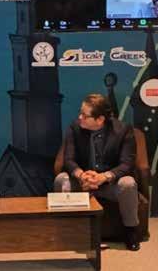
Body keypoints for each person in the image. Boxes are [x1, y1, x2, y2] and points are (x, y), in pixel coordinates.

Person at [54, 94, 140, 251]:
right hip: (83, 183)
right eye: (80, 113)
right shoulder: (75, 128)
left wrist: (104, 177)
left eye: (84, 115)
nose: (80, 117)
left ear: (100, 119)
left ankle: (130, 231)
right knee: (61, 179)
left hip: (109, 184)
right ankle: (65, 231)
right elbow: (68, 159)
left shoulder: (122, 130)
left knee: (128, 183)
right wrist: (81, 175)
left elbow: (127, 164)